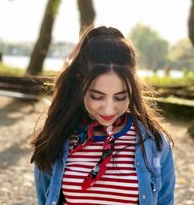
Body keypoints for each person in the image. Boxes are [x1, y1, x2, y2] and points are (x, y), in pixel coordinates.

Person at [30, 26, 175, 205]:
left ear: (133, 91)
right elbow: (44, 197)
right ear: (79, 86)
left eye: (120, 97)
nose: (108, 109)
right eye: (96, 96)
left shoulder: (155, 144)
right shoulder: (55, 138)